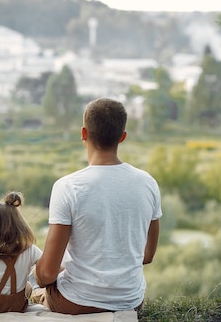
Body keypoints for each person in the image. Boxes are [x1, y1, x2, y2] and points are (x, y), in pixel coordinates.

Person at [34, 97, 161, 314]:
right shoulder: (147, 183)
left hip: (75, 302)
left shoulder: (68, 186)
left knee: (32, 275)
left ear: (83, 133)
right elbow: (147, 256)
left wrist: (35, 274)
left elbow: (46, 274)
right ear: (122, 137)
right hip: (130, 301)